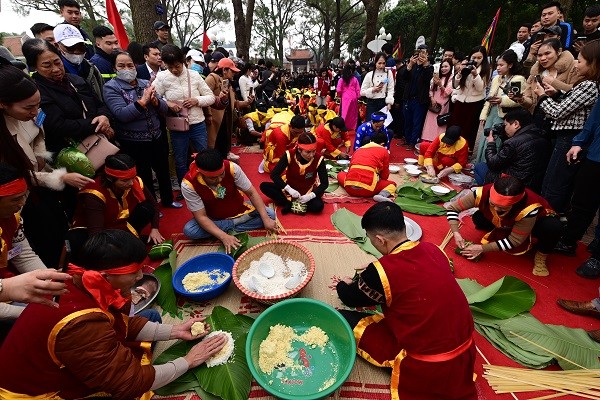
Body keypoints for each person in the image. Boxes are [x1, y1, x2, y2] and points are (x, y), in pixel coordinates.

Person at [0, 229, 228, 398]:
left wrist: (176, 331)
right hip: (40, 390)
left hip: (77, 349)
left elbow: (123, 323)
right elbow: (130, 383)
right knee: (126, 386)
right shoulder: (80, 324)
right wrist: (188, 360)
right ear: (105, 276)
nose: (140, 277)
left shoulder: (86, 281)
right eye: (133, 272)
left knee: (151, 318)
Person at [336, 202, 476, 399]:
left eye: (371, 240)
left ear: (380, 240)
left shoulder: (381, 271)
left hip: (428, 364)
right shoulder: (435, 250)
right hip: (464, 353)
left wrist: (344, 283)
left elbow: (349, 297)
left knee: (343, 318)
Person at [0, 59, 94, 268]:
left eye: (38, 104)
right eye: (28, 108)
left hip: (43, 180)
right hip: (22, 195)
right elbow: (16, 175)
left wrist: (40, 154)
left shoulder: (34, 112)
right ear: (3, 104)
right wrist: (59, 177)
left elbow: (39, 133)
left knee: (60, 231)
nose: (35, 112)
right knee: (39, 242)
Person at [102, 51, 181, 209]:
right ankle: (151, 207)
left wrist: (156, 103)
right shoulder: (111, 87)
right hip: (134, 142)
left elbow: (165, 109)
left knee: (163, 170)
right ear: (114, 68)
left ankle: (167, 200)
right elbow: (121, 114)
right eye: (122, 66)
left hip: (157, 136)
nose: (127, 69)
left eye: (130, 65)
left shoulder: (145, 83)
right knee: (143, 176)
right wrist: (143, 102)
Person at [445, 175, 562, 276]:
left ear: (515, 204)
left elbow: (515, 241)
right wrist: (456, 232)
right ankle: (502, 228)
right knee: (478, 218)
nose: (495, 209)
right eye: (492, 204)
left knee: (552, 227)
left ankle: (542, 254)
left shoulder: (529, 208)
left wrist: (482, 248)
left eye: (502, 208)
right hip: (503, 222)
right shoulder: (483, 192)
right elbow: (452, 208)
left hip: (534, 225)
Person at [536, 39, 600, 215]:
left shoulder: (589, 85)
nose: (576, 65)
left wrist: (542, 97)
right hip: (567, 138)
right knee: (557, 182)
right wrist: (556, 94)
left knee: (553, 184)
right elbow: (572, 106)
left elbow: (557, 112)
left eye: (580, 61)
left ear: (593, 63)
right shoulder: (589, 84)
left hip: (569, 138)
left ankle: (547, 220)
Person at [22, 38, 114, 155]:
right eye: (47, 66)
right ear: (34, 67)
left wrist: (104, 117)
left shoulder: (76, 80)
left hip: (100, 142)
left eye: (57, 62)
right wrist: (97, 124)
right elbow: (57, 126)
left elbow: (99, 104)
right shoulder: (36, 91)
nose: (55, 69)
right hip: (70, 152)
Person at [181, 149, 277, 252]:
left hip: (239, 209)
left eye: (221, 174)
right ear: (200, 173)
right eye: (213, 178)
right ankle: (236, 224)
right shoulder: (188, 184)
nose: (219, 180)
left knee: (270, 215)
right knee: (190, 230)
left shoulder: (232, 167)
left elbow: (251, 193)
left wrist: (266, 219)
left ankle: (221, 229)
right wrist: (223, 237)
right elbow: (201, 216)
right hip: (213, 218)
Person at [152, 44, 216, 184]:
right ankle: (185, 186)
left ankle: (207, 183)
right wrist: (167, 103)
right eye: (170, 67)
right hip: (177, 127)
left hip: (197, 123)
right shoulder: (162, 77)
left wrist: (196, 100)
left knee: (203, 155)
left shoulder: (194, 75)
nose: (174, 70)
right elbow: (153, 96)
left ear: (183, 62)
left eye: (177, 66)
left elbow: (211, 97)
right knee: (180, 159)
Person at [73, 154, 165, 244]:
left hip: (121, 225)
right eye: (125, 180)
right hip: (100, 232)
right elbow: (96, 234)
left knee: (147, 208)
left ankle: (130, 239)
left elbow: (154, 206)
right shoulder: (94, 194)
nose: (131, 183)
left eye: (132, 178)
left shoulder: (134, 181)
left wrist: (154, 229)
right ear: (109, 178)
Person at [554, 99, 600, 278]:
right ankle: (569, 241)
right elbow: (594, 119)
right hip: (596, 156)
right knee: (581, 202)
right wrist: (579, 142)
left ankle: (597, 256)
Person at [0, 163, 48, 321]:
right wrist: (29, 314)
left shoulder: (11, 218)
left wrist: (49, 280)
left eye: (23, 196)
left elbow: (23, 254)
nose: (22, 204)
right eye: (15, 199)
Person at [474, 109, 550, 192]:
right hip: (532, 184)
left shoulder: (513, 143)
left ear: (516, 124)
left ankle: (488, 193)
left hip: (512, 185)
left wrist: (491, 143)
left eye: (505, 125)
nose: (504, 128)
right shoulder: (541, 134)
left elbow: (493, 163)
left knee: (479, 166)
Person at [474, 49, 527, 163]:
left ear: (511, 65)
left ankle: (489, 165)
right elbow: (489, 97)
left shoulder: (518, 79)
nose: (498, 68)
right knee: (485, 137)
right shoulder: (496, 78)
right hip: (491, 112)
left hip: (503, 115)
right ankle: (478, 163)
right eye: (497, 65)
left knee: (496, 140)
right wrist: (483, 115)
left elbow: (516, 100)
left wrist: (501, 100)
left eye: (501, 65)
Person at [260, 133, 327, 215]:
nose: (311, 155)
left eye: (314, 151)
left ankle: (289, 203)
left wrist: (311, 196)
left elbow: (324, 183)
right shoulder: (289, 155)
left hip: (308, 190)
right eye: (308, 152)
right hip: (289, 189)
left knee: (318, 207)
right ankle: (289, 202)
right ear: (299, 150)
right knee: (264, 186)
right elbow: (274, 175)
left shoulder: (319, 159)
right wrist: (289, 189)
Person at [204, 58, 253, 161]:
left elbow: (235, 103)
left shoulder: (229, 84)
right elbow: (204, 97)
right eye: (232, 71)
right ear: (224, 70)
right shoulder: (212, 78)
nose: (234, 73)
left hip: (226, 120)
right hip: (214, 120)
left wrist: (247, 102)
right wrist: (208, 114)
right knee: (214, 146)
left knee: (223, 145)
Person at [448, 46, 490, 149]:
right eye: (474, 57)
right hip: (461, 100)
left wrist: (475, 75)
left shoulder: (485, 70)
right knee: (454, 125)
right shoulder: (465, 65)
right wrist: (459, 73)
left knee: (468, 129)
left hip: (475, 102)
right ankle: (450, 148)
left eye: (479, 58)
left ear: (483, 58)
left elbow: (480, 88)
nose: (476, 60)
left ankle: (465, 152)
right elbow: (455, 85)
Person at [338, 132, 396, 202]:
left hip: (349, 189)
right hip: (368, 190)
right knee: (392, 184)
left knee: (340, 174)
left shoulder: (358, 150)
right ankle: (381, 195)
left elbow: (350, 170)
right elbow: (385, 175)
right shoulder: (384, 150)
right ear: (382, 144)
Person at [53, 24, 104, 102]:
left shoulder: (92, 69)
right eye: (71, 48)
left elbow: (102, 96)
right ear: (57, 46)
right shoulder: (54, 74)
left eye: (81, 47)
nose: (76, 52)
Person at [400, 44, 434, 147]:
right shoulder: (412, 65)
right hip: (407, 98)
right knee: (407, 121)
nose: (421, 55)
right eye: (419, 52)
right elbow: (404, 77)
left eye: (423, 53)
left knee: (416, 123)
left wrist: (425, 65)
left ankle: (413, 142)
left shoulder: (429, 67)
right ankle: (407, 138)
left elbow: (427, 79)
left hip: (419, 100)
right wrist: (410, 65)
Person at [421, 58, 453, 142]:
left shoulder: (452, 78)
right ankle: (426, 141)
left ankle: (437, 142)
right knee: (429, 124)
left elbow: (447, 93)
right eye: (442, 66)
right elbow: (430, 89)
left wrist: (440, 85)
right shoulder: (437, 76)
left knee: (439, 124)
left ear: (451, 67)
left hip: (443, 105)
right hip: (433, 103)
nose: (443, 68)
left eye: (446, 66)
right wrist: (431, 98)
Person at [360, 52, 394, 119]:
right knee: (371, 124)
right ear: (375, 62)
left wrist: (389, 103)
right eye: (379, 63)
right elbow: (362, 92)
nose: (381, 66)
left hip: (383, 102)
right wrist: (372, 90)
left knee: (383, 125)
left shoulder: (388, 73)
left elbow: (391, 89)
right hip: (372, 103)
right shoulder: (369, 75)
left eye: (383, 63)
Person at [336, 63, 361, 131]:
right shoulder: (354, 79)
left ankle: (344, 126)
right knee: (353, 114)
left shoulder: (341, 79)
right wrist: (358, 96)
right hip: (354, 97)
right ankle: (352, 127)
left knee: (344, 113)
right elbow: (358, 89)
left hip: (345, 98)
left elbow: (338, 89)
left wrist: (340, 95)